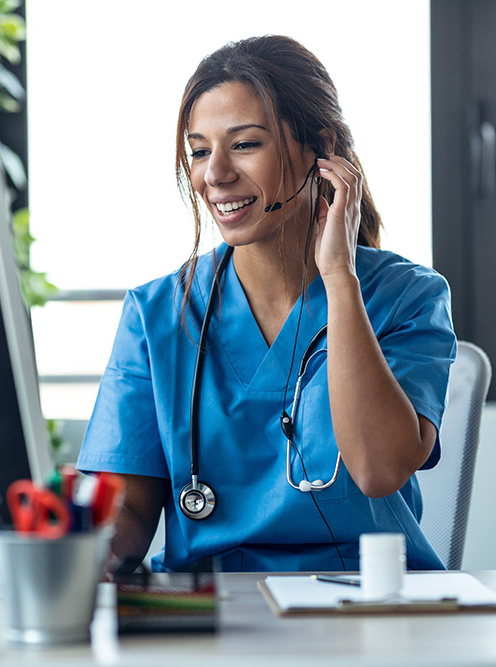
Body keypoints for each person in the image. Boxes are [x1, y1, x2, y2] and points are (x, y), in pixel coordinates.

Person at [77, 35, 456, 573]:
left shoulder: (406, 296)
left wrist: (339, 277)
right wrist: (83, 551)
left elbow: (378, 470)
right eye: (200, 151)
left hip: (362, 606)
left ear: (321, 150)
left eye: (246, 144)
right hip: (209, 616)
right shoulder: (157, 312)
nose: (216, 175)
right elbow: (129, 505)